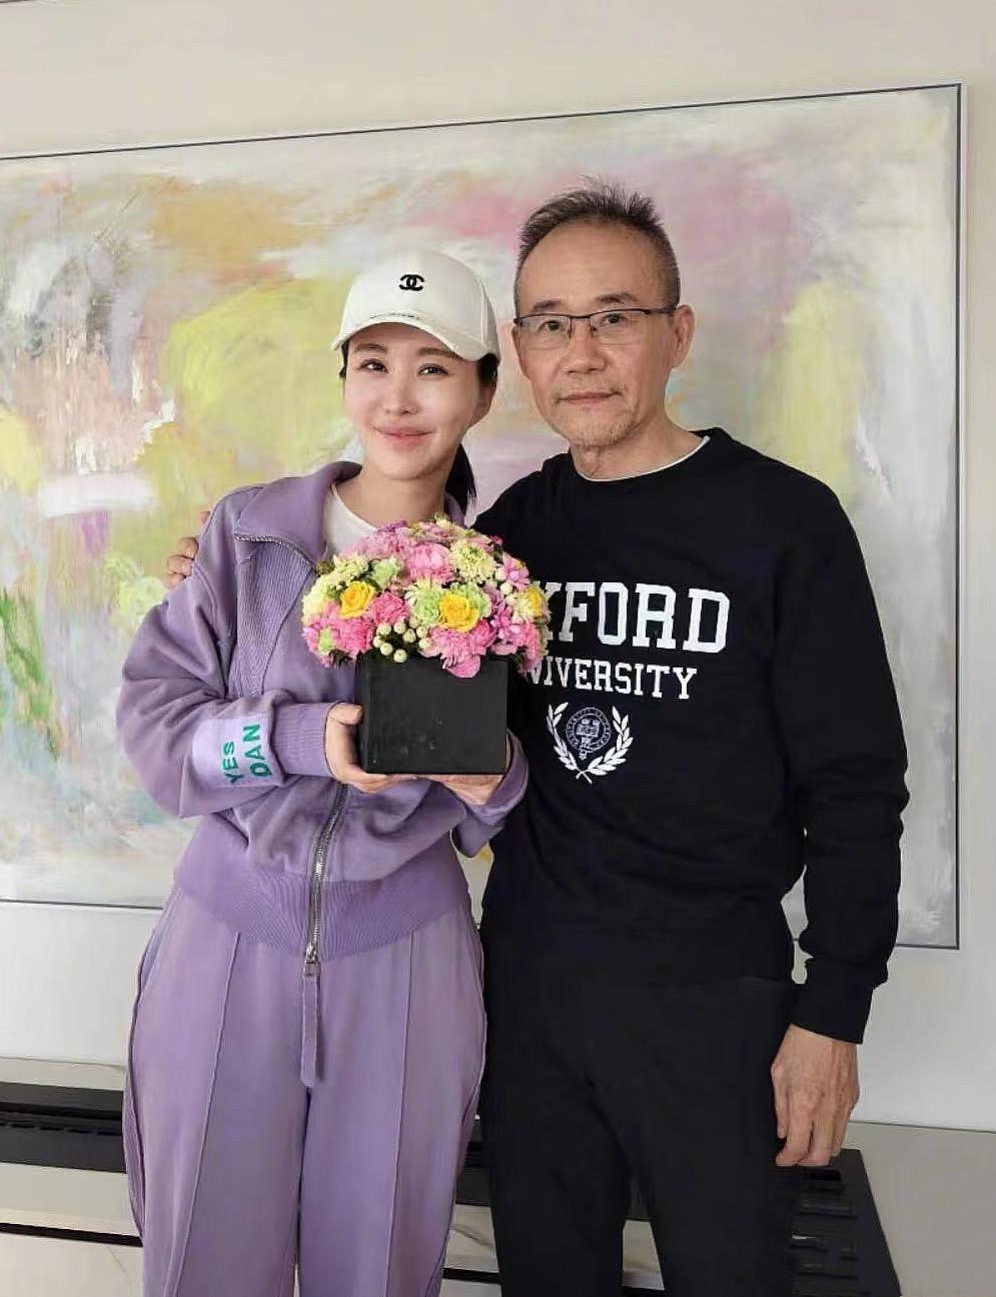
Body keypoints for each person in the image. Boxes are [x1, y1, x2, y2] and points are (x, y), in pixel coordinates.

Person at [165, 185, 909, 1297]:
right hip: (526, 990)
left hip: (716, 1001)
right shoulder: (502, 544)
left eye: (615, 316)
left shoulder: (783, 523)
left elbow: (856, 783)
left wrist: (832, 1012)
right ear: (518, 353)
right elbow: (419, 735)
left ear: (677, 332)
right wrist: (218, 568)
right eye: (553, 323)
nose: (583, 352)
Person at [118, 248, 528, 1297]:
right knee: (203, 1257)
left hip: (407, 958)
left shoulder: (495, 577)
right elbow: (157, 733)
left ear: (483, 389)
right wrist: (300, 739)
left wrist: (496, 779)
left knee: (380, 1264)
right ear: (343, 377)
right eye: (373, 363)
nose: (399, 399)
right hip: (227, 938)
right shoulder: (244, 535)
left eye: (434, 369)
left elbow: (502, 799)